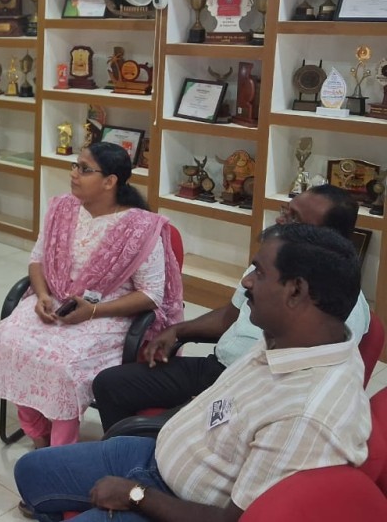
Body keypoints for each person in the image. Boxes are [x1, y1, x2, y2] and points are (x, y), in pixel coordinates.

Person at [15, 223, 371, 522]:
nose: (247, 282)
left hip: (175, 505)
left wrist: (136, 495)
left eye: (259, 273)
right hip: (157, 458)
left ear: (296, 291)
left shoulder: (306, 415)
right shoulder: (289, 338)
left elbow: (235, 520)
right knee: (29, 472)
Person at [91, 184, 371, 434]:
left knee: (176, 430)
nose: (281, 220)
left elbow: (296, 384)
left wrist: (207, 406)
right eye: (286, 210)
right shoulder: (271, 267)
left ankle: (147, 458)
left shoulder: (337, 306)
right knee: (110, 384)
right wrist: (178, 330)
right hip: (219, 368)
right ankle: (126, 450)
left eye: (295, 218)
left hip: (255, 391)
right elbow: (230, 316)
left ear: (326, 239)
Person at [0, 143, 183, 449]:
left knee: (64, 365)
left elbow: (151, 295)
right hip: (56, 301)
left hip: (107, 312)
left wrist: (92, 311)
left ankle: (59, 453)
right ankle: (39, 434)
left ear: (110, 181)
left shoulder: (140, 227)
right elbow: (37, 259)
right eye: (75, 166)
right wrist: (41, 295)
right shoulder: (62, 208)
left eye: (85, 169)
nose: (74, 174)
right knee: (9, 342)